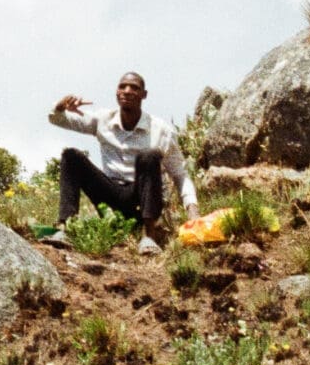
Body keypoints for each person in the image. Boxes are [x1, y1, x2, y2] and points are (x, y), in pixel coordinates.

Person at [47, 72, 198, 251]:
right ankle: (64, 228)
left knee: (148, 156)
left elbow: (180, 174)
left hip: (144, 200)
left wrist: (192, 210)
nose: (126, 91)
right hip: (112, 196)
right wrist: (60, 107)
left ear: (144, 95)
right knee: (70, 156)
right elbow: (58, 119)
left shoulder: (161, 131)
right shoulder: (103, 120)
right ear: (116, 92)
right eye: (122, 86)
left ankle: (149, 236)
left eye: (134, 88)